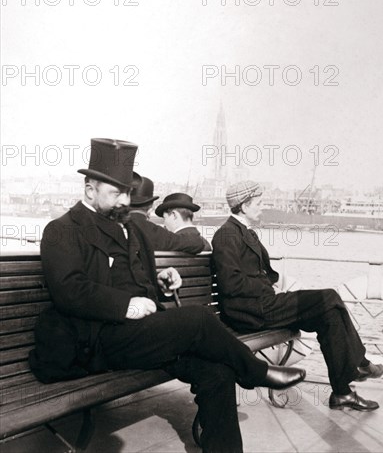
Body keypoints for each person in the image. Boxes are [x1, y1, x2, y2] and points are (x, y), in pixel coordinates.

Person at [29, 139, 306, 453]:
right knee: (199, 317)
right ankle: (257, 372)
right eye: (115, 192)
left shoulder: (130, 228)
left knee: (216, 371)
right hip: (96, 341)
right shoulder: (62, 229)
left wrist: (161, 282)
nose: (124, 200)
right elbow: (68, 290)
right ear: (90, 190)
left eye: (127, 192)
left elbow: (135, 280)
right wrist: (125, 304)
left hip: (138, 336)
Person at [212, 180, 383, 413]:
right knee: (330, 296)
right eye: (259, 203)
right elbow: (229, 283)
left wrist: (270, 286)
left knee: (330, 315)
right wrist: (267, 290)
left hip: (261, 304)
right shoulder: (226, 235)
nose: (263, 207)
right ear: (244, 206)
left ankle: (342, 393)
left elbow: (262, 274)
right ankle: (361, 363)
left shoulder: (242, 232)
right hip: (251, 311)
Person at [128, 176, 207, 253]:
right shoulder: (157, 234)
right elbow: (196, 242)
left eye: (164, 218)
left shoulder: (118, 226)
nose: (164, 225)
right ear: (150, 207)